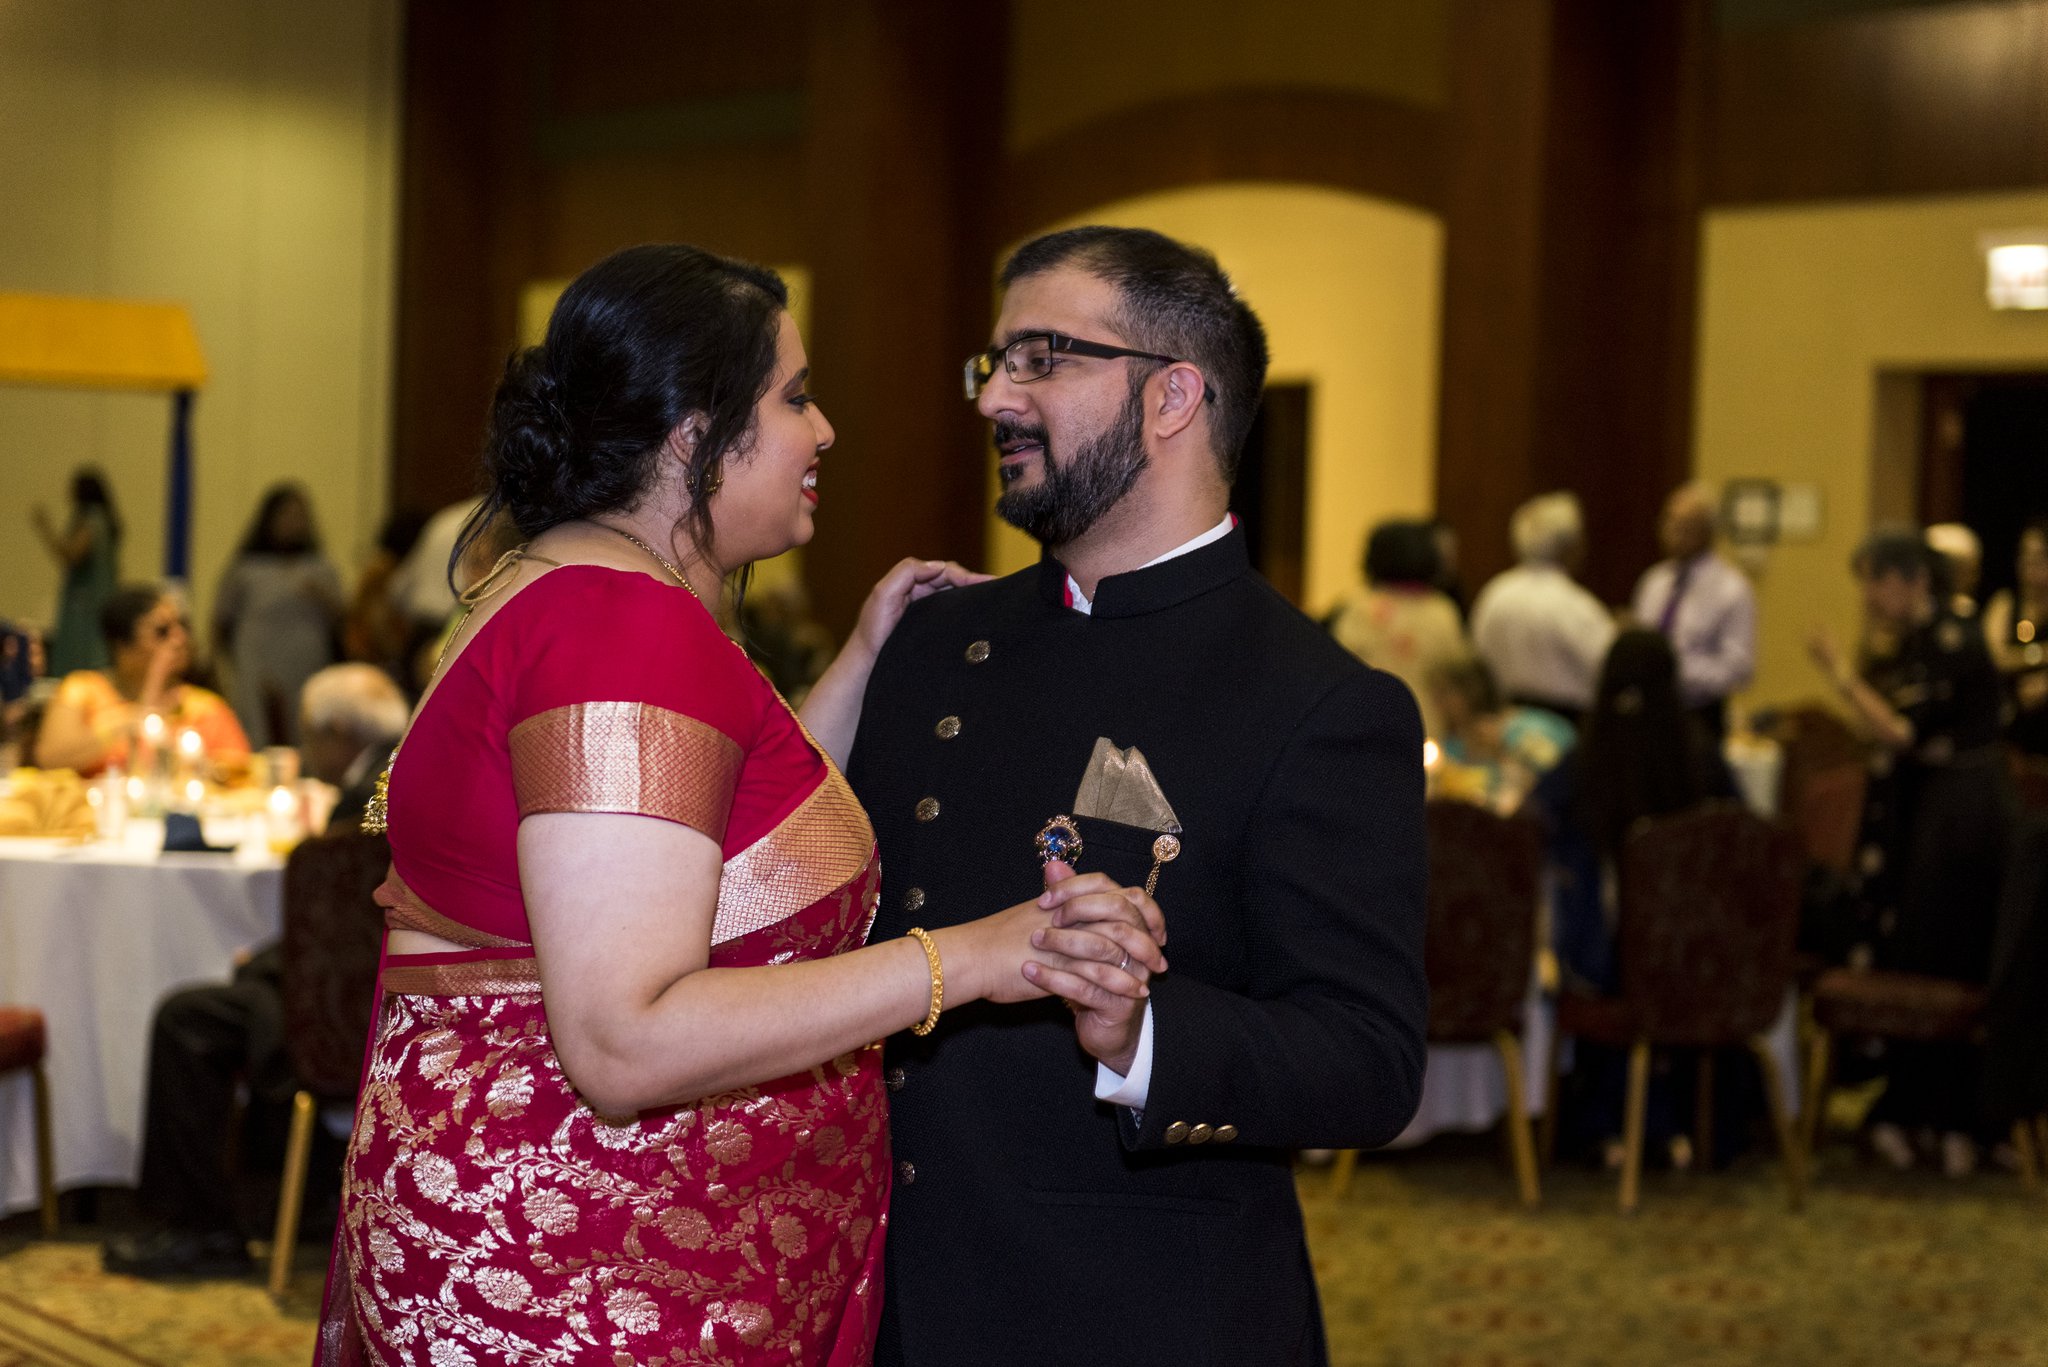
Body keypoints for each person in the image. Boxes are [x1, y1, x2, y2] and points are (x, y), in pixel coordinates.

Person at [319, 244, 1161, 1366]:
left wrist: (860, 661)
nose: (823, 433)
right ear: (691, 436)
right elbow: (623, 1037)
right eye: (794, 398)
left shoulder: (558, 586)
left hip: (556, 1241)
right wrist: (971, 957)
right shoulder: (624, 634)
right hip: (586, 1276)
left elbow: (694, 854)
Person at [847, 226, 1428, 1366]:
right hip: (887, 1302)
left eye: (1041, 358)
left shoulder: (1317, 699)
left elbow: (1367, 1060)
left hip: (1131, 1311)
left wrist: (1145, 1033)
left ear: (1171, 397)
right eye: (994, 362)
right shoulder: (931, 643)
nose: (994, 399)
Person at [102, 663, 408, 1279]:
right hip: (387, 998)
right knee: (234, 999)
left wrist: (266, 964)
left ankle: (198, 1225)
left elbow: (341, 931)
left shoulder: (365, 800)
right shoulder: (402, 771)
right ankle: (288, 1193)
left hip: (349, 1017)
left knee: (187, 1018)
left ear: (337, 732)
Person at [1808, 528, 2014, 1176]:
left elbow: (1901, 731)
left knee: (1943, 958)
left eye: (1876, 580)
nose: (1868, 597)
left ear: (1913, 581)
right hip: (1937, 808)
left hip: (1963, 820)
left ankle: (1952, 1117)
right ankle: (1914, 1110)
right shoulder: (1923, 640)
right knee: (1918, 950)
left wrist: (1839, 675)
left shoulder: (1953, 637)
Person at [34, 585, 250, 778]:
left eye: (182, 626)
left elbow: (240, 773)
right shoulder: (82, 690)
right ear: (122, 646)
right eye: (162, 632)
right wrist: (135, 716)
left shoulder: (204, 707)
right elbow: (50, 758)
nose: (179, 639)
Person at [213, 483, 345, 747]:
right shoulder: (247, 569)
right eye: (287, 515)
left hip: (306, 663)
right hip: (258, 661)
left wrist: (322, 597)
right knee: (259, 728)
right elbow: (221, 620)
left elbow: (343, 620)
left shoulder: (320, 568)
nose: (294, 523)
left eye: (300, 516)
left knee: (306, 726)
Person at [1470, 492, 1616, 725]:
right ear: (1569, 546)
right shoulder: (1573, 603)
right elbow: (1608, 666)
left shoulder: (1495, 594)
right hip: (1565, 727)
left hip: (1506, 721)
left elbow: (1477, 654)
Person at [1631, 482, 1756, 741]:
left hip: (1697, 715)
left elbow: (1739, 668)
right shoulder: (1654, 583)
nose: (1674, 532)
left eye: (1686, 526)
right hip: (1648, 713)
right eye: (1670, 522)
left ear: (1708, 532)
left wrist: (1672, 669)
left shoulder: (1732, 590)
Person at [1329, 519, 1468, 739]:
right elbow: (1456, 674)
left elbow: (1340, 666)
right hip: (1425, 725)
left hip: (1367, 722)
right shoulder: (1441, 611)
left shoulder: (1358, 607)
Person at [1426, 653, 1574, 813]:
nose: (1438, 702)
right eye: (1435, 693)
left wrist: (1502, 749)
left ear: (1472, 690)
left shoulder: (1527, 726)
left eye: (1445, 692)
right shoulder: (1448, 747)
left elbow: (1561, 774)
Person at [31, 468, 122, 675]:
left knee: (81, 658)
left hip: (84, 606)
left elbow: (73, 555)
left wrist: (45, 528)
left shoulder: (91, 519)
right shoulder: (107, 521)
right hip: (101, 599)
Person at [1982, 519, 2048, 754]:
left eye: (2039, 556)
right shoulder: (2006, 604)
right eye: (2024, 555)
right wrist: (2040, 654)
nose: (2029, 565)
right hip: (2009, 729)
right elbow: (1993, 659)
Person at [1925, 522, 1983, 621]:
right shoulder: (1923, 614)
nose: (1975, 579)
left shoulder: (1966, 610)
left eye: (1975, 571)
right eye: (1970, 572)